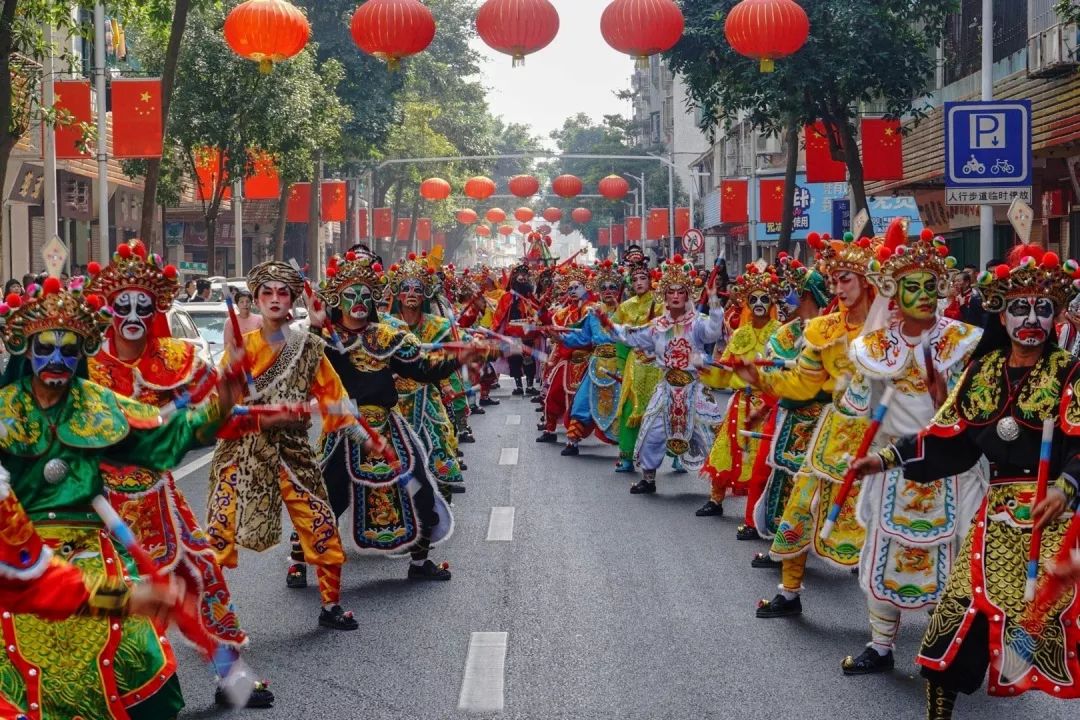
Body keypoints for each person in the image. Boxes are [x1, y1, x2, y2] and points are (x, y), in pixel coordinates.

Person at [851, 243, 1080, 718]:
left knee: (1065, 630)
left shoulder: (1070, 373)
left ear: (1056, 316)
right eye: (1020, 308)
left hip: (1058, 525)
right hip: (994, 524)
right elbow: (950, 442)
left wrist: (1067, 487)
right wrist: (888, 459)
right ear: (1003, 314)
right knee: (947, 640)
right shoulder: (983, 371)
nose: (1031, 319)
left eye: (1043, 309)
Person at [0, 275, 243, 719]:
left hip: (91, 545)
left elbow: (163, 433)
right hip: (17, 549)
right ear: (27, 350)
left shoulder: (98, 404)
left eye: (68, 348)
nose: (56, 358)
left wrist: (220, 403)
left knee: (136, 654)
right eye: (45, 347)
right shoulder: (3, 410)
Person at [85, 239, 272, 707]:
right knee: (117, 601)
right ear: (109, 310)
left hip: (160, 495)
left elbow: (212, 417)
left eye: (141, 306)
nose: (131, 315)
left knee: (205, 574)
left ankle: (232, 676)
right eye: (122, 305)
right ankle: (121, 692)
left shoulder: (175, 359)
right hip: (103, 508)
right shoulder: (87, 369)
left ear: (154, 310)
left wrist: (231, 385)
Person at [829, 229, 985, 676]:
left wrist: (944, 398)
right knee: (885, 551)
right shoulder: (874, 347)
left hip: (953, 466)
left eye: (928, 285)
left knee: (958, 558)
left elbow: (981, 407)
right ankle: (880, 646)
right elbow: (854, 405)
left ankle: (949, 646)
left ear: (940, 289)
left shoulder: (964, 342)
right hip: (894, 466)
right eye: (910, 285)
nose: (921, 295)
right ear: (894, 291)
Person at [205, 261, 360, 631]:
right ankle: (213, 615)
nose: (274, 299)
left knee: (320, 521)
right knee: (218, 530)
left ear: (291, 300)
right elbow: (217, 410)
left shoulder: (308, 347)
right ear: (256, 300)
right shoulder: (240, 349)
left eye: (282, 292)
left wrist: (357, 431)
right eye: (267, 293)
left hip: (292, 449)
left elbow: (334, 397)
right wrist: (230, 380)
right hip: (242, 450)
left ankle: (330, 604)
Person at [734, 232, 875, 619]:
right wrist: (762, 380)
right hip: (833, 432)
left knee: (886, 520)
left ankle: (885, 629)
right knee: (800, 505)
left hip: (882, 437)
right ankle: (790, 592)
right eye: (835, 279)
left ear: (868, 282)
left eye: (846, 278)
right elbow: (801, 381)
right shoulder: (823, 330)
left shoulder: (891, 332)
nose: (838, 287)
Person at [314, 249, 473, 581]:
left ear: (374, 299)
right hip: (346, 429)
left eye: (365, 294)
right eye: (350, 295)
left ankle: (419, 562)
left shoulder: (386, 335)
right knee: (330, 495)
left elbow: (422, 370)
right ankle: (299, 561)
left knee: (420, 489)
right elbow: (300, 375)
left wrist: (460, 358)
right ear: (338, 300)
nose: (358, 300)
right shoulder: (326, 339)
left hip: (387, 425)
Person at [609, 254, 726, 494]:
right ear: (664, 296)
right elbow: (631, 336)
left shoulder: (698, 322)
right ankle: (649, 478)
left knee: (710, 436)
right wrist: (608, 325)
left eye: (680, 291)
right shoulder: (657, 326)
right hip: (666, 388)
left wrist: (713, 300)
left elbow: (714, 332)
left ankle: (719, 489)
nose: (675, 296)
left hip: (694, 387)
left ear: (687, 295)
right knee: (651, 431)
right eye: (670, 292)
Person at [748, 256, 832, 568]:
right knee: (784, 481)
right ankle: (782, 549)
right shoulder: (785, 333)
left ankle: (840, 546)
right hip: (794, 418)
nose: (785, 301)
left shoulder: (830, 330)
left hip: (826, 420)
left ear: (807, 296)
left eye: (791, 294)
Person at [699, 264, 782, 526]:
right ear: (746, 302)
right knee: (725, 449)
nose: (758, 303)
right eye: (753, 299)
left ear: (771, 303)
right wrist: (710, 369)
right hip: (741, 403)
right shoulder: (741, 333)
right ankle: (715, 498)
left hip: (768, 407)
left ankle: (762, 507)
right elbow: (725, 364)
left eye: (764, 299)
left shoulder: (781, 332)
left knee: (763, 459)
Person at [386, 253, 466, 497]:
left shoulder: (438, 326)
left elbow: (445, 361)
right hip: (392, 398)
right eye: (406, 288)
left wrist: (446, 385)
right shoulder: (384, 325)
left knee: (439, 435)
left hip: (425, 392)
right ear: (398, 294)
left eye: (417, 289)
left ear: (424, 295)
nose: (411, 293)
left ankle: (440, 492)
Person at [560, 260, 625, 456]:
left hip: (620, 365)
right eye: (603, 287)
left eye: (612, 287)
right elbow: (583, 337)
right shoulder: (593, 313)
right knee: (582, 401)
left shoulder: (627, 312)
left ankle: (628, 451)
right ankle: (572, 441)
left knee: (626, 406)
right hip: (597, 364)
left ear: (619, 289)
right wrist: (560, 337)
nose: (608, 291)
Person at [612, 247, 662, 473]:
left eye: (643, 278)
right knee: (630, 408)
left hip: (658, 364)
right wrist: (621, 365)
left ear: (651, 280)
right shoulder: (625, 306)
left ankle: (677, 454)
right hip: (634, 363)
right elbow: (617, 335)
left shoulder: (661, 304)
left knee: (664, 410)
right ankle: (627, 456)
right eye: (635, 279)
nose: (639, 282)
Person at [492, 262, 541, 397]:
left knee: (529, 360)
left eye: (525, 276)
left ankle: (530, 386)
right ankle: (519, 386)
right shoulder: (506, 297)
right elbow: (499, 316)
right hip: (512, 335)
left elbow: (538, 313)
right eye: (520, 276)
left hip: (527, 335)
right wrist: (494, 332)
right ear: (514, 279)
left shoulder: (530, 298)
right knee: (514, 360)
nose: (523, 278)